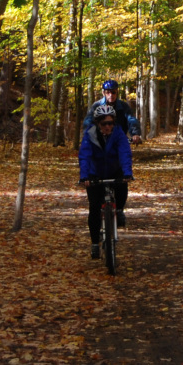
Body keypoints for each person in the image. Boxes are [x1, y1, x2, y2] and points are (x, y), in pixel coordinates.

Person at [79, 104, 133, 259]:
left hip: (115, 170)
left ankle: (119, 210)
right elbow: (85, 155)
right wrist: (85, 176)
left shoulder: (118, 133)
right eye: (104, 124)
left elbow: (124, 152)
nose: (108, 126)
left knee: (122, 189)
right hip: (94, 173)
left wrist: (127, 173)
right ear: (97, 123)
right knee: (94, 207)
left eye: (110, 123)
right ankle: (95, 243)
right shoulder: (90, 134)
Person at [85, 80, 142, 144]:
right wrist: (90, 134)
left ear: (117, 92)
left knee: (125, 153)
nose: (111, 95)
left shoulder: (123, 106)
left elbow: (131, 119)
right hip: (101, 140)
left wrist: (135, 134)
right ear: (103, 93)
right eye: (108, 92)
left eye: (113, 92)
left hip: (119, 140)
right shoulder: (97, 105)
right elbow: (88, 121)